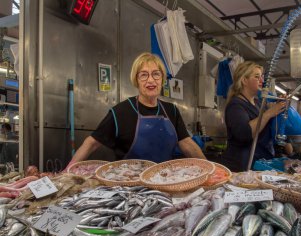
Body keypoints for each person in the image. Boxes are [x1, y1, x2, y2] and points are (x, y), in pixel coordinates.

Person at [69, 52, 205, 165]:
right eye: (144, 75)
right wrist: (66, 172)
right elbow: (91, 143)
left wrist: (211, 170)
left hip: (163, 181)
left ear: (162, 79)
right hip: (129, 186)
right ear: (136, 80)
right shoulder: (120, 112)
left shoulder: (172, 110)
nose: (151, 80)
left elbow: (186, 143)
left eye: (156, 74)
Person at [221, 61, 286, 172]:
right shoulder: (235, 105)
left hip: (259, 164)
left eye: (261, 77)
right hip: (242, 167)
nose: (262, 81)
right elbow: (245, 133)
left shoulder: (258, 103)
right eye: (257, 77)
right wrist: (269, 113)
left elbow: (267, 124)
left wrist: (280, 105)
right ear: (244, 80)